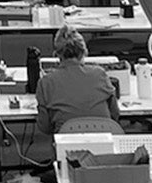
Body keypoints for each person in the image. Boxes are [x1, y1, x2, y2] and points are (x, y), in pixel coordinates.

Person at [32, 25, 122, 161]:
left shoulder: (46, 82)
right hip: (106, 151)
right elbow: (114, 114)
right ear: (84, 52)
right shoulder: (100, 74)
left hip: (68, 152)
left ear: (57, 54)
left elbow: (44, 127)